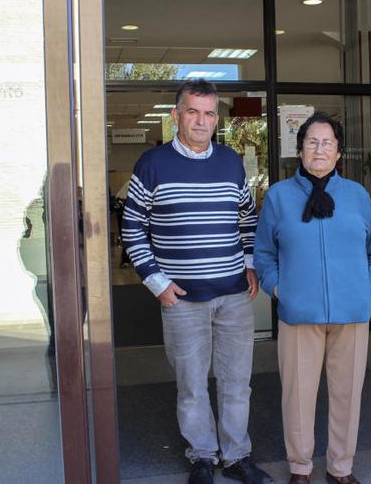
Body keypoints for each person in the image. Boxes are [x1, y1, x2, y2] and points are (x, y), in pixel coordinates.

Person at [122, 79, 272, 484]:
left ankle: (237, 456)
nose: (201, 120)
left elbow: (245, 219)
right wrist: (157, 282)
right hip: (182, 298)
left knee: (237, 383)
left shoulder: (230, 161)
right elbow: (132, 227)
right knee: (191, 385)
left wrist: (249, 264)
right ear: (176, 116)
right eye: (193, 111)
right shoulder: (152, 165)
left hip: (235, 296)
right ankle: (202, 456)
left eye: (209, 113)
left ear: (216, 118)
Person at [254, 113, 371, 484]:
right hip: (299, 316)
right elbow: (263, 254)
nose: (319, 149)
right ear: (299, 150)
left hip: (352, 314)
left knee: (347, 396)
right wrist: (280, 288)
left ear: (338, 152)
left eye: (327, 142)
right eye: (312, 142)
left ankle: (340, 467)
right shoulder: (280, 197)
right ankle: (300, 466)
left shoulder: (357, 196)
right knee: (297, 398)